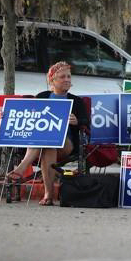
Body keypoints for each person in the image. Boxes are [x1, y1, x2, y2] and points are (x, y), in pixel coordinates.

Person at [6, 61, 89, 205]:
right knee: (47, 144)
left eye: (69, 77)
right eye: (62, 77)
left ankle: (22, 168)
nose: (67, 80)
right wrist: (6, 116)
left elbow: (86, 122)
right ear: (52, 80)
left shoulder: (76, 101)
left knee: (49, 142)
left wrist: (77, 121)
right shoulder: (42, 96)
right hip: (43, 144)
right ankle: (48, 195)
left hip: (66, 143)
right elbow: (27, 116)